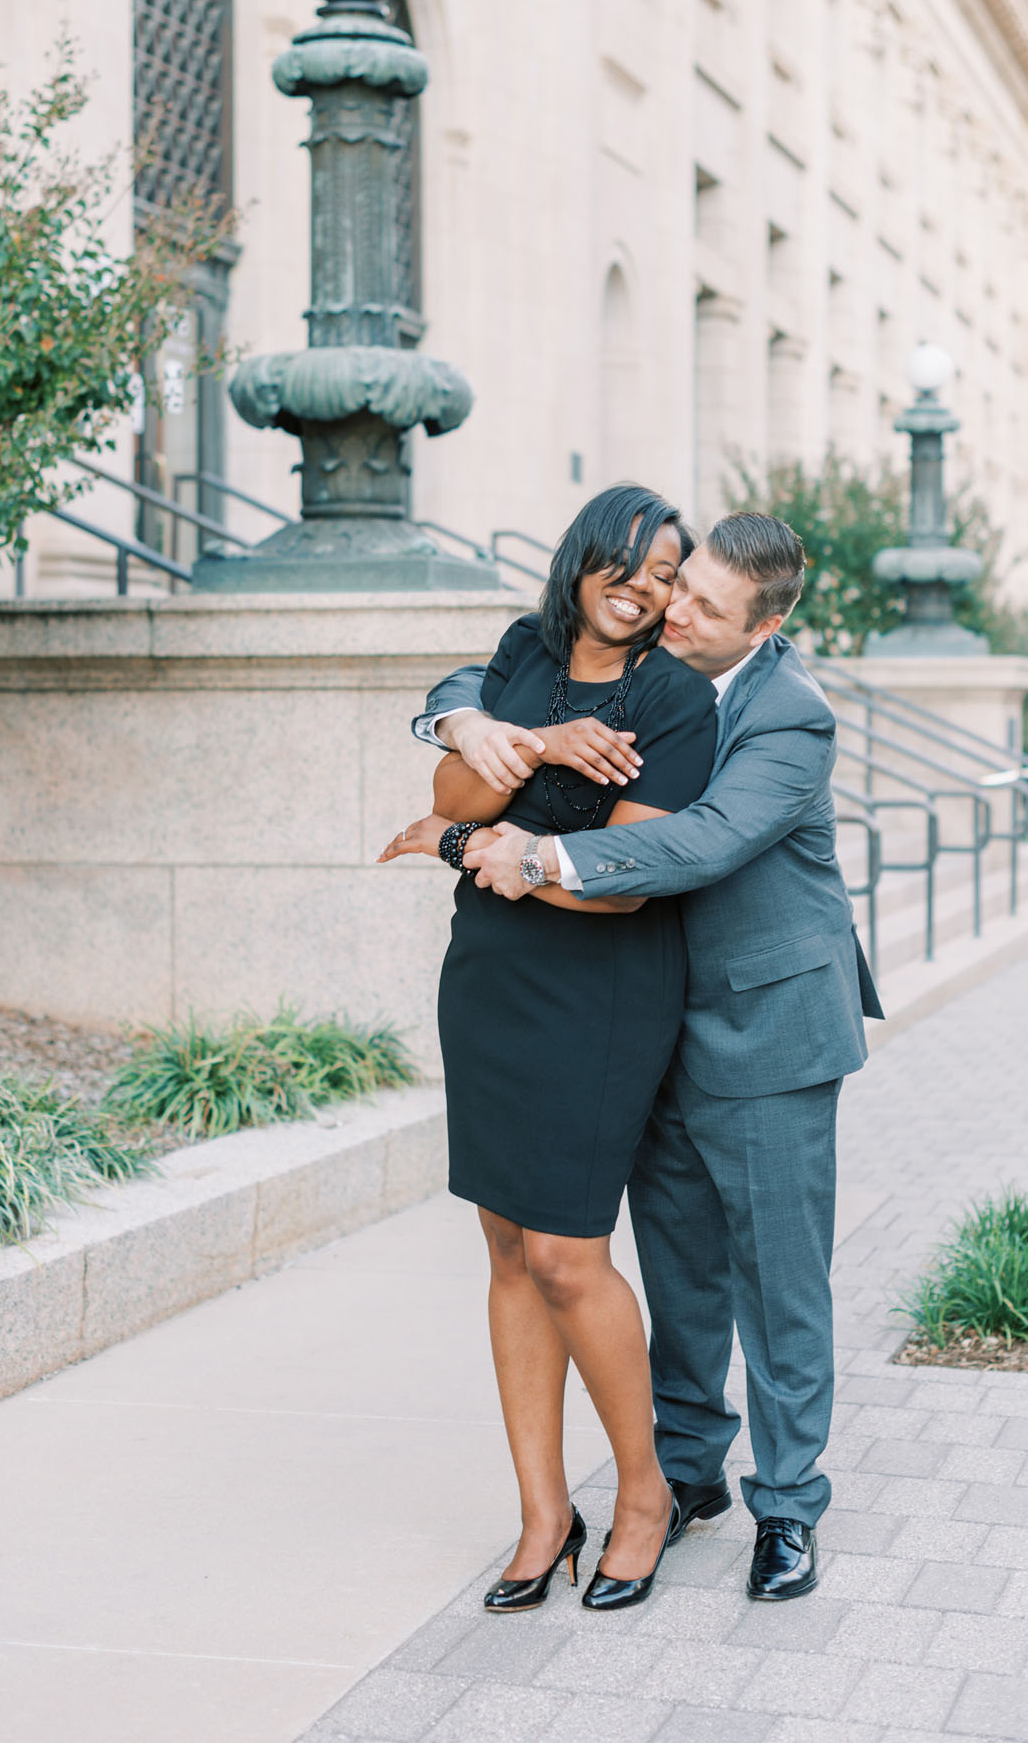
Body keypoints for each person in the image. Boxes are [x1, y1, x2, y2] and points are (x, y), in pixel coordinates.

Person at [416, 511, 882, 1604]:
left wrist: (539, 854)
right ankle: (684, 1472)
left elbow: (702, 840)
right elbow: (501, 667)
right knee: (677, 1270)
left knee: (776, 1280)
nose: (676, 611)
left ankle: (788, 1501)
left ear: (764, 627)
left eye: (707, 607)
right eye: (683, 587)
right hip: (645, 1016)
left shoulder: (789, 715)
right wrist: (462, 720)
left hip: (764, 1026)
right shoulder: (644, 666)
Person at [377, 484, 718, 1614]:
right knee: (508, 1252)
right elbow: (450, 784)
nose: (644, 588)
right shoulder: (525, 648)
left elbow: (622, 881)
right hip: (490, 978)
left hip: (602, 990)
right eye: (631, 562)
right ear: (583, 555)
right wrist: (537, 744)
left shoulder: (672, 698)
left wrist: (476, 840)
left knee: (568, 1255)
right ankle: (541, 1514)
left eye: (665, 575)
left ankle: (644, 1497)